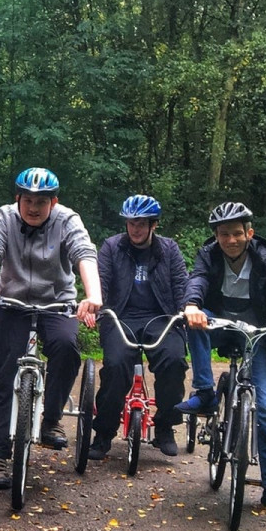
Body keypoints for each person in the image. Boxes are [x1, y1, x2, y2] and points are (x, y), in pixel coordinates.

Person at [175, 202, 266, 510]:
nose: (231, 240)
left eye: (237, 234)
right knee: (194, 318)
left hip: (259, 335)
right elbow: (198, 280)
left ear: (249, 233)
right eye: (224, 234)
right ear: (216, 236)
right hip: (222, 326)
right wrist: (191, 304)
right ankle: (206, 393)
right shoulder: (209, 255)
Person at [0, 167, 102, 488]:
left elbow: (84, 254)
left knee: (66, 348)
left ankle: (52, 419)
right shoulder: (4, 217)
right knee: (4, 375)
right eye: (27, 200)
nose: (33, 207)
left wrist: (94, 295)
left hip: (56, 303)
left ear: (53, 202)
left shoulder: (67, 220)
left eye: (41, 202)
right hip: (11, 302)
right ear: (17, 199)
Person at [92, 194, 189, 459]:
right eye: (131, 223)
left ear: (153, 225)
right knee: (116, 365)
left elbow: (181, 285)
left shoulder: (169, 250)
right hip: (120, 317)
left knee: (174, 361)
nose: (135, 229)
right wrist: (96, 305)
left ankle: (165, 427)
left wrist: (186, 309)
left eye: (142, 223)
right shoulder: (112, 247)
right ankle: (103, 434)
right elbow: (100, 282)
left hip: (161, 317)